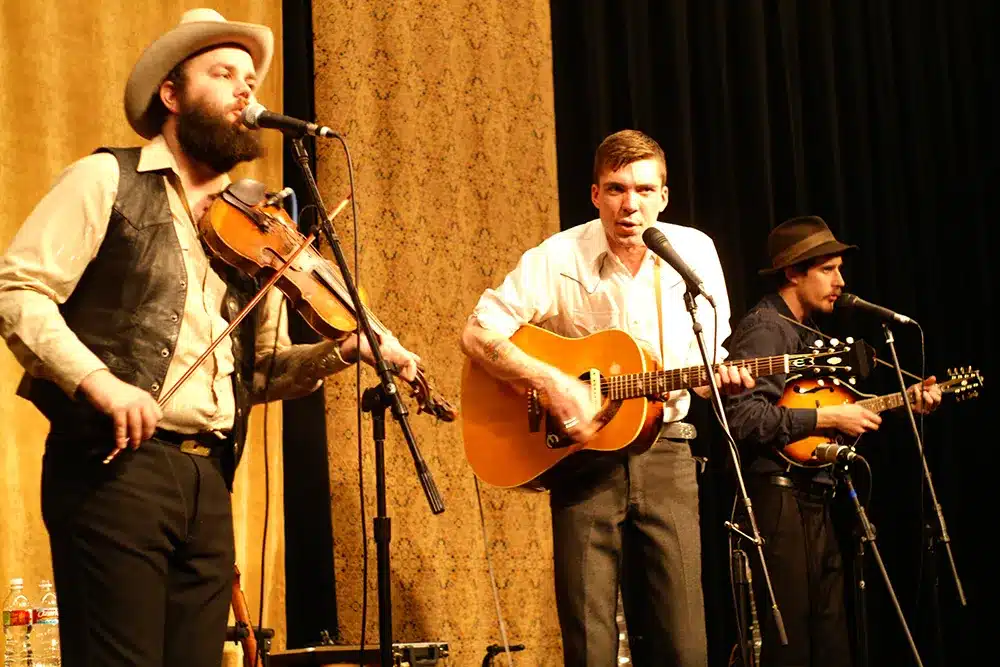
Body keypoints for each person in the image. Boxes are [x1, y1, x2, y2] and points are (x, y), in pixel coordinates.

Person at [0, 9, 419, 666]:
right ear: (172, 94)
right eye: (223, 74)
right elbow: (18, 290)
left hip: (208, 478)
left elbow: (261, 371)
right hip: (116, 468)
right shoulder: (108, 179)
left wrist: (343, 349)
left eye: (249, 80)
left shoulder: (257, 226)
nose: (244, 92)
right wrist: (101, 382)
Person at [461, 129, 754, 666]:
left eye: (645, 190)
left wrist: (719, 376)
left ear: (664, 196)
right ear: (595, 194)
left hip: (668, 449)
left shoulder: (694, 253)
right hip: (582, 459)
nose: (631, 204)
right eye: (617, 189)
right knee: (590, 638)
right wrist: (552, 383)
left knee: (684, 638)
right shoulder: (558, 255)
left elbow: (709, 354)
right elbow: (478, 334)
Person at [723, 215, 941, 667]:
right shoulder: (765, 328)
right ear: (792, 273)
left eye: (840, 269)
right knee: (792, 645)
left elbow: (833, 405)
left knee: (830, 637)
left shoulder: (810, 332)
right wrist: (828, 416)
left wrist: (904, 402)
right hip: (777, 499)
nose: (840, 281)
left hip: (817, 496)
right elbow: (744, 417)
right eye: (828, 269)